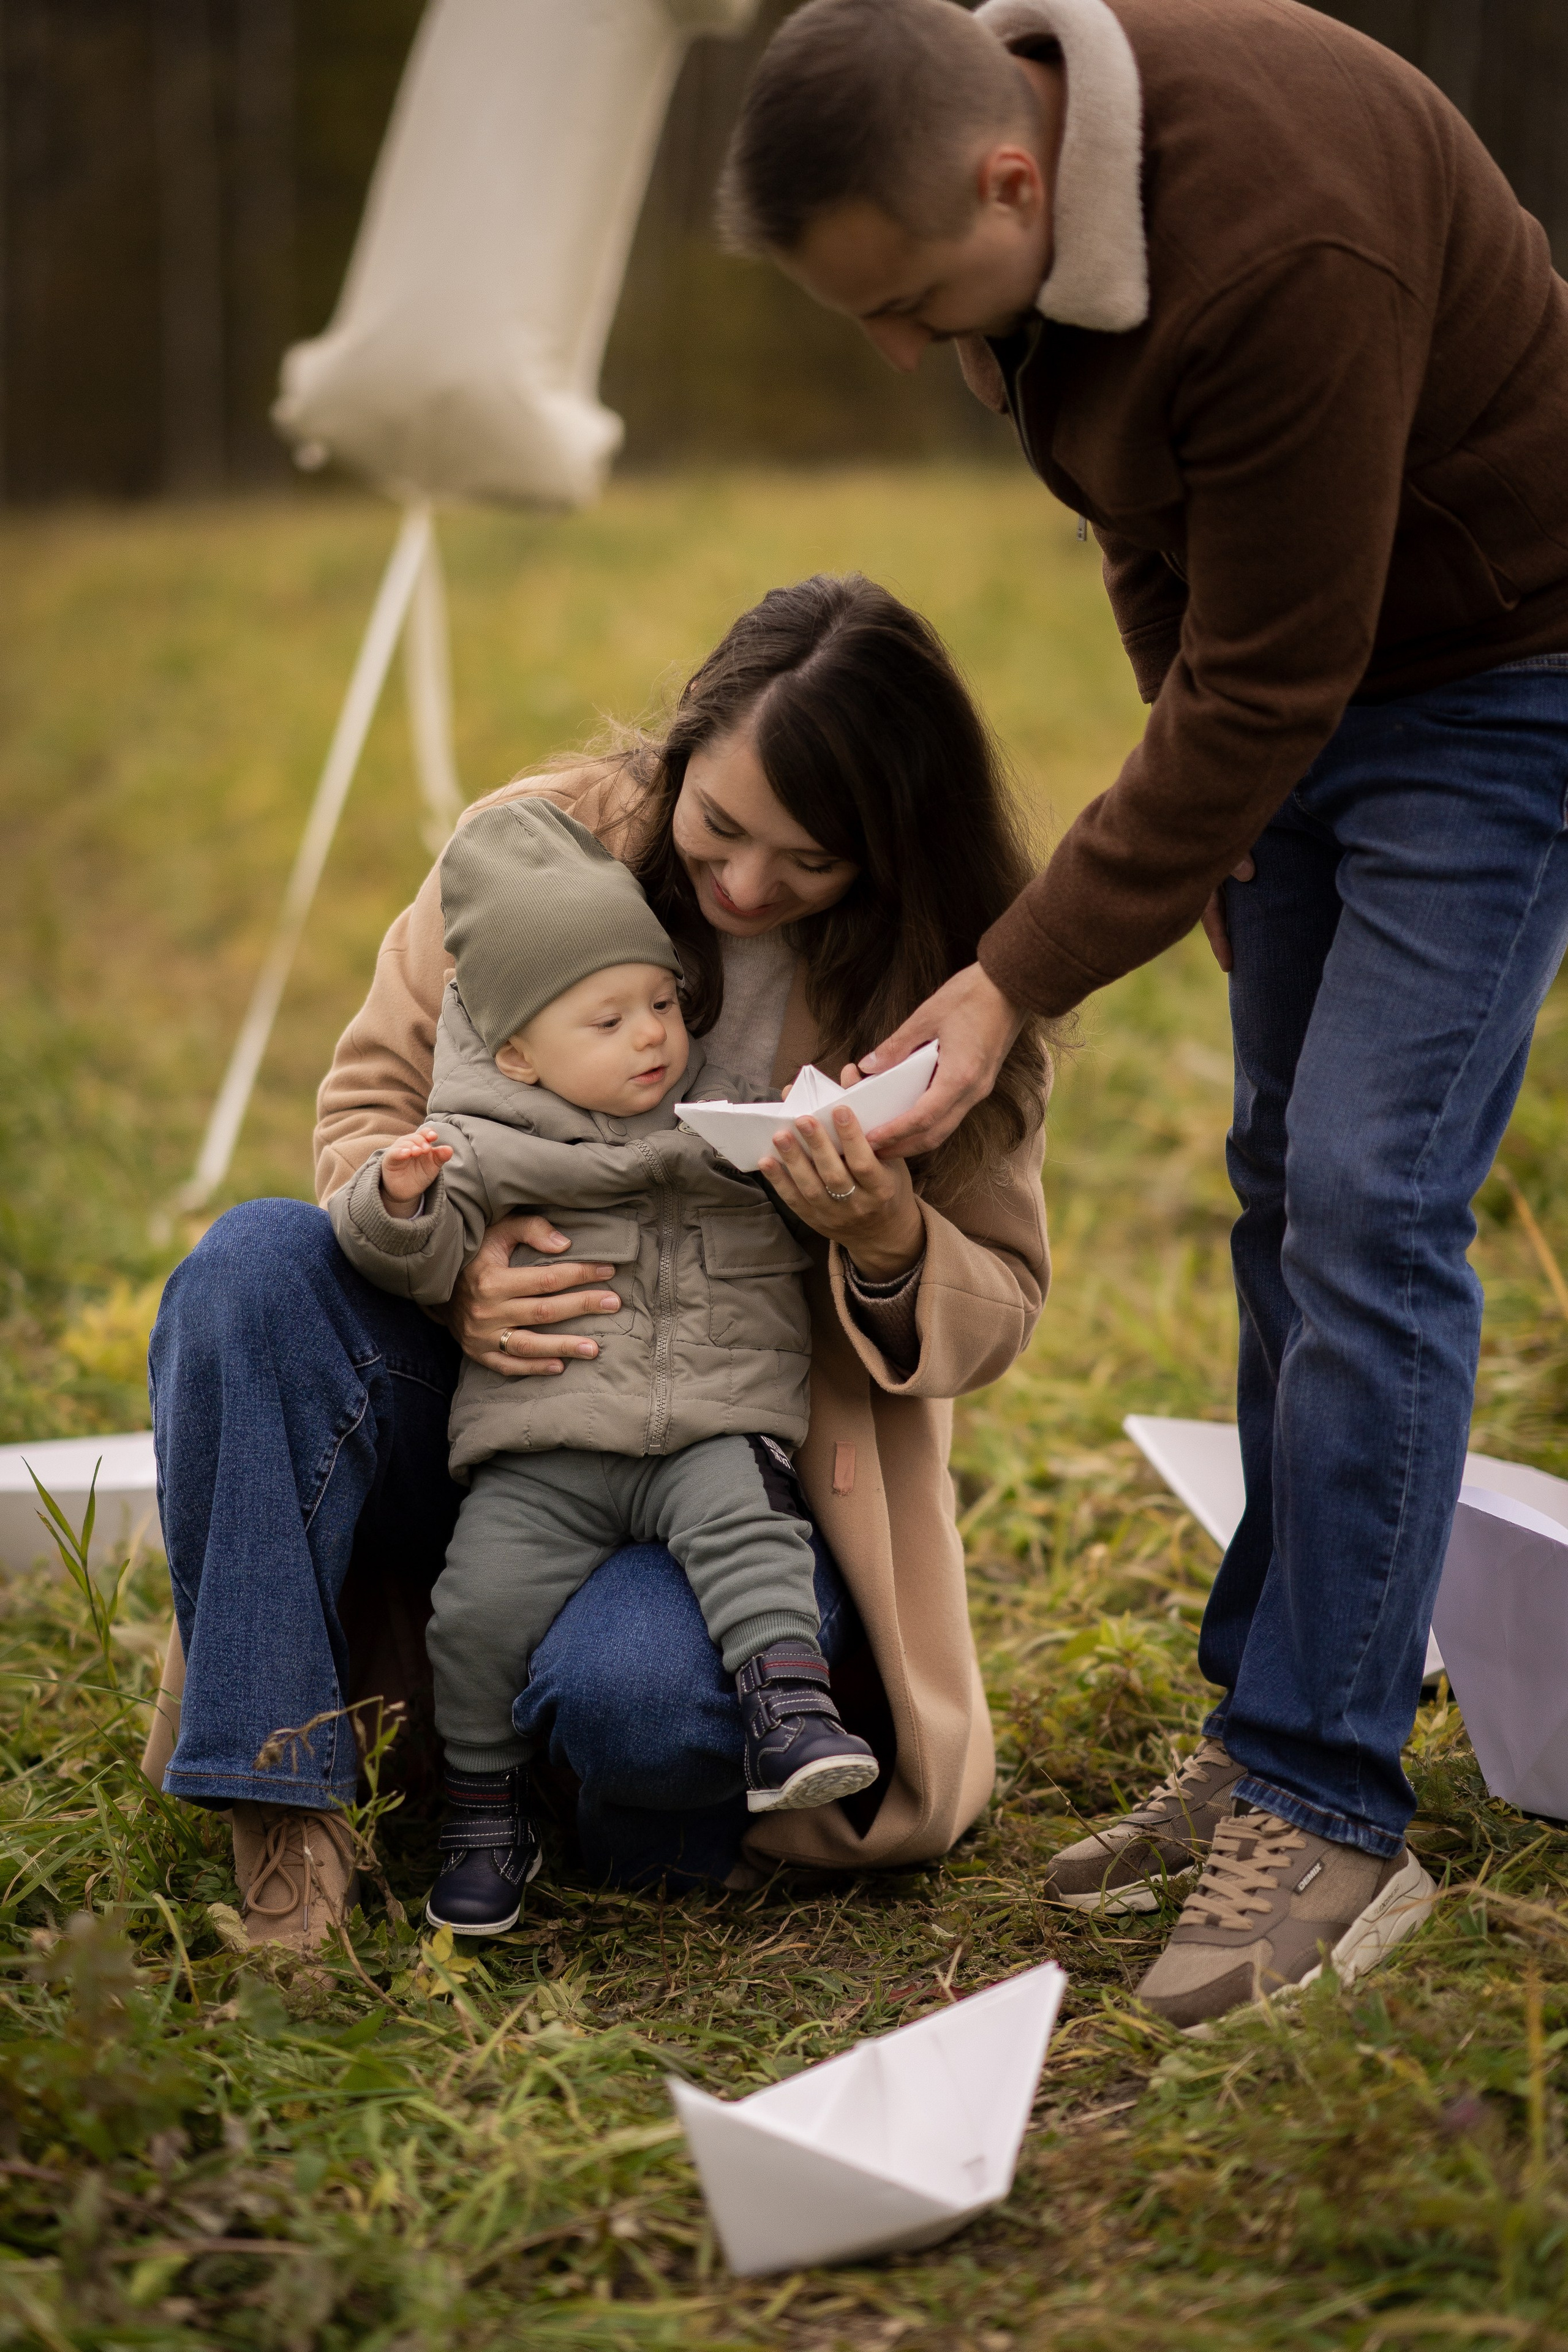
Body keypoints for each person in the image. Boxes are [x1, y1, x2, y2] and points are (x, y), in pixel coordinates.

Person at [722, 0, 1568, 2024]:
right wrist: (1198, 839)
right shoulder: (1022, 234)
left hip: (1496, 673)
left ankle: (1330, 1805)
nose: (914, 350)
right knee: (1284, 1182)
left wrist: (1015, 980)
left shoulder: (1283, 238)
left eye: (920, 300)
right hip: (1305, 672)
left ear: (1014, 178)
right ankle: (1274, 1714)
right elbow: (1154, 539)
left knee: (1373, 1199)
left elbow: (1276, 678)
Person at [148, 573, 1050, 1951]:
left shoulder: (945, 987)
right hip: (486, 1423)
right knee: (248, 1268)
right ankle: (282, 1799)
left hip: (722, 1469)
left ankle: (581, 1774)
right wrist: (449, 1273)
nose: (744, 888)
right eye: (718, 828)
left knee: (641, 1699)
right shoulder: (533, 849)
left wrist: (880, 1234)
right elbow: (362, 1115)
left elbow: (997, 1305)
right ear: (681, 751)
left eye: (807, 862)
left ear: (890, 852)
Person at [331, 797, 877, 1934]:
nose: (653, 1037)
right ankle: (484, 1807)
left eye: (664, 1005)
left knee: (751, 1533)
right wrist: (402, 1202)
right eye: (609, 1019)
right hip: (545, 1452)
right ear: (519, 1052)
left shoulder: (726, 1134)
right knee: (475, 1614)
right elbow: (404, 1252)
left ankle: (792, 1711)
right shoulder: (483, 1149)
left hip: (709, 1430)